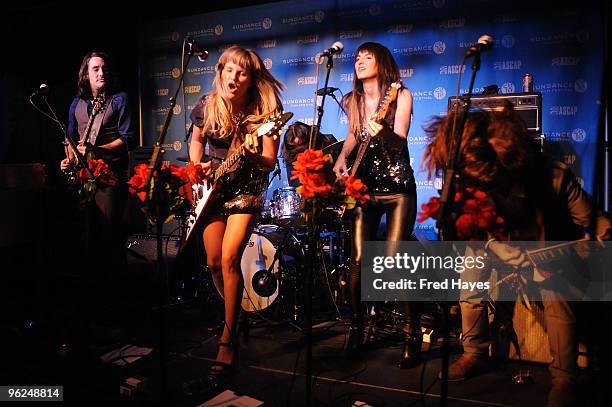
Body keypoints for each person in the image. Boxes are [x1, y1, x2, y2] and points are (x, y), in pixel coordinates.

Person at [422, 104, 596, 407]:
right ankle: (473, 353)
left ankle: (564, 378)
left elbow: (600, 228)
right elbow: (472, 228)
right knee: (470, 279)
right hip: (496, 246)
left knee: (559, 294)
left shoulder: (554, 179)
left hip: (544, 254)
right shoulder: (474, 178)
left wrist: (565, 253)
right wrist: (493, 246)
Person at [187, 45, 283, 391]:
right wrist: (196, 165)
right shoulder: (206, 105)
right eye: (229, 70)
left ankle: (226, 341)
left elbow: (270, 160)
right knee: (213, 262)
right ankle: (236, 316)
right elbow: (196, 142)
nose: (234, 77)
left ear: (250, 78)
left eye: (241, 72)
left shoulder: (265, 111)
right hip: (212, 191)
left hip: (246, 192)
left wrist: (254, 157)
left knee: (230, 258)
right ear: (221, 72)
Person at [332, 42, 420, 367]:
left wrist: (380, 130)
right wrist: (341, 157)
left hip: (398, 188)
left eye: (367, 57)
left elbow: (399, 143)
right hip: (363, 187)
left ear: (382, 63)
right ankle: (357, 330)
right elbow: (355, 135)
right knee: (357, 259)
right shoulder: (353, 100)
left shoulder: (401, 95)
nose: (360, 62)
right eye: (357, 58)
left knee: (396, 260)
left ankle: (412, 334)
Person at [60, 51, 134, 322]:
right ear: (86, 75)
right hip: (82, 180)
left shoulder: (119, 99)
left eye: (104, 68)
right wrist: (68, 160)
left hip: (109, 179)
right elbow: (70, 138)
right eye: (95, 69)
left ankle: (116, 307)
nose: (101, 73)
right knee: (85, 241)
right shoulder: (76, 104)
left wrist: (94, 150)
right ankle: (90, 306)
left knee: (108, 240)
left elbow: (126, 140)